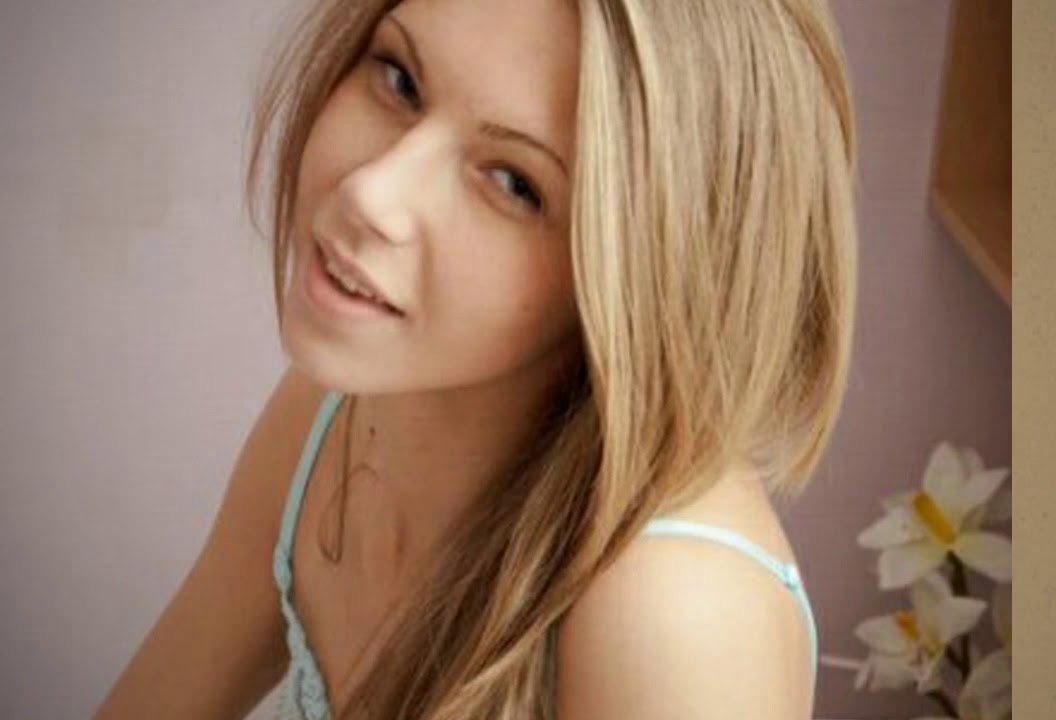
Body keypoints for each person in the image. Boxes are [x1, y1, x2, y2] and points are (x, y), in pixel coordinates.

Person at [94, 0, 858, 717]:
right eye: (399, 80)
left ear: (651, 279)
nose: (371, 192)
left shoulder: (678, 618)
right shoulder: (335, 415)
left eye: (513, 183)